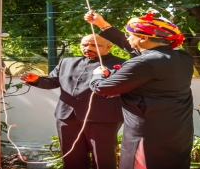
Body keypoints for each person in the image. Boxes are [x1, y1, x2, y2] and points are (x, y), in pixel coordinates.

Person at [84, 10, 194, 169]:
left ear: (143, 38)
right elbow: (139, 51)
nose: (127, 38)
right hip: (178, 132)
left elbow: (103, 89)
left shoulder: (143, 63)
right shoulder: (184, 58)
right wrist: (103, 25)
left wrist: (97, 75)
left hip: (147, 136)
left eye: (130, 35)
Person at [20, 34, 125, 169]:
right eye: (85, 45)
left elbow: (119, 89)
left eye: (95, 45)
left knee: (103, 157)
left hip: (102, 118)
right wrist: (36, 80)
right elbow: (52, 81)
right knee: (71, 157)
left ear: (108, 47)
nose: (88, 48)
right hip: (67, 117)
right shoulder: (67, 62)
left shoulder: (120, 64)